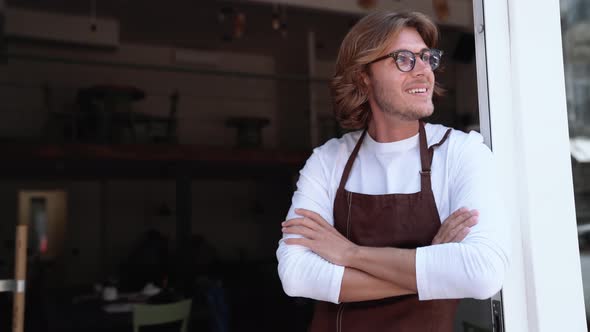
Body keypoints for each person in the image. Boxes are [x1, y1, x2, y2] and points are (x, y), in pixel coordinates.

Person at [276, 10, 510, 332]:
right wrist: (431, 264)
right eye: (404, 59)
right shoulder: (328, 161)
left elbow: (483, 273)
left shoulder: (461, 153)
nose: (424, 71)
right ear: (363, 77)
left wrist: (350, 253)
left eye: (427, 58)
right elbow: (297, 276)